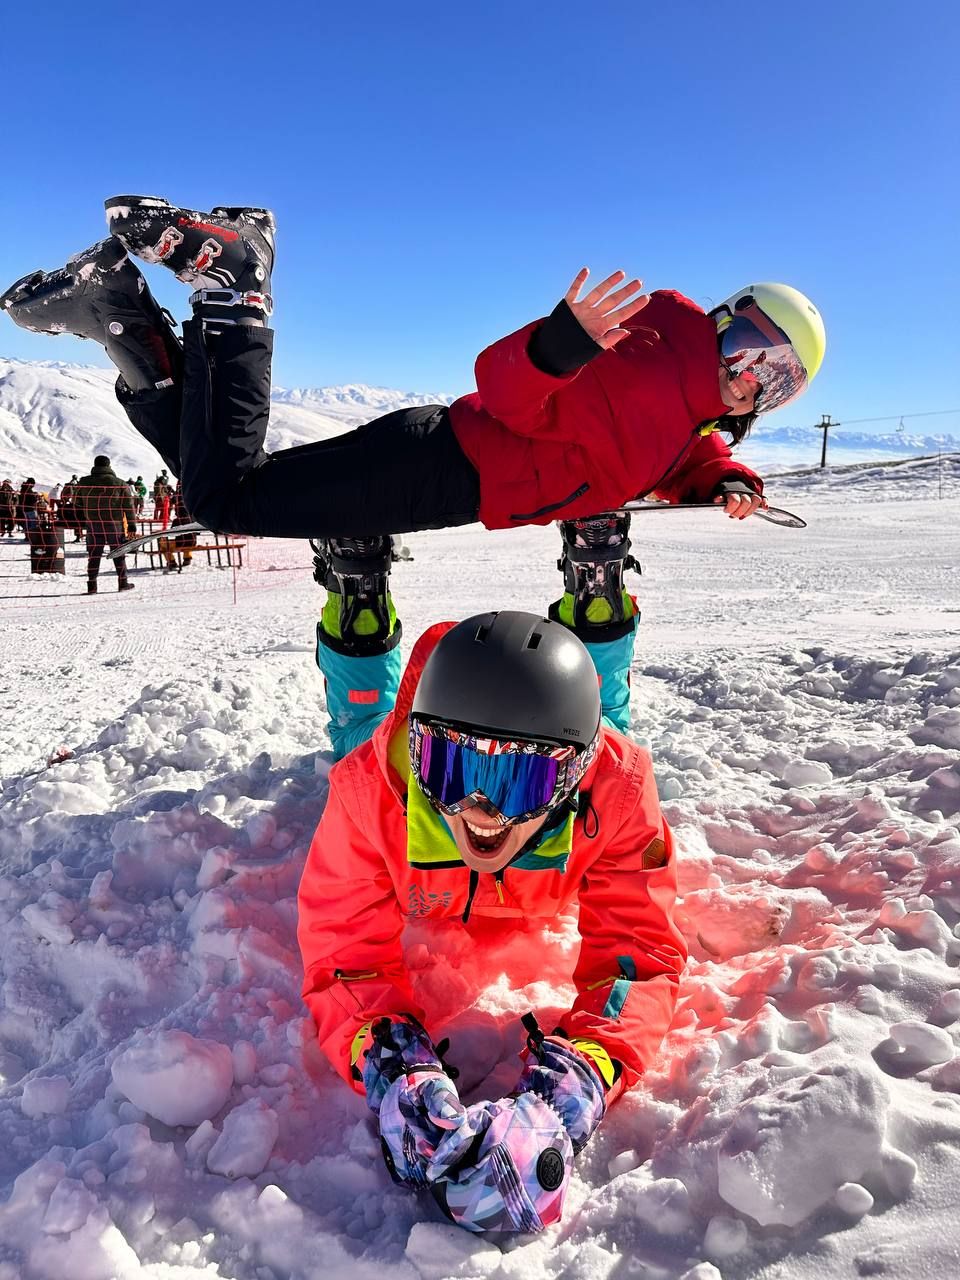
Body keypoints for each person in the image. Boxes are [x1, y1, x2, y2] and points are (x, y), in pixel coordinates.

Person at [1, 196, 826, 544]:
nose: (752, 376)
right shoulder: (653, 355)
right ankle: (233, 288)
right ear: (726, 317)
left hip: (441, 463)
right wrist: (556, 348)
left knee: (222, 482)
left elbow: (676, 453)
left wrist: (725, 477)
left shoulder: (686, 410)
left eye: (778, 378)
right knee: (224, 499)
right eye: (752, 344)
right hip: (444, 467)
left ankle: (121, 319)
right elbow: (505, 388)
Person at [297, 534, 686, 1234]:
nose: (480, 810)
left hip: (580, 769)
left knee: (610, 717)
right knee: (360, 727)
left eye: (519, 779)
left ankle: (595, 601)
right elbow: (344, 957)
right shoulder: (373, 790)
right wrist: (392, 1064)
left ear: (573, 778)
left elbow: (637, 955)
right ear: (418, 752)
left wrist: (580, 1079)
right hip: (409, 765)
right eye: (453, 771)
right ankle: (359, 604)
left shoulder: (615, 791)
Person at [74, 454, 137, 594]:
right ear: (109, 466)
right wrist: (132, 524)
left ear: (95, 465)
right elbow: (129, 506)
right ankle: (123, 582)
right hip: (114, 524)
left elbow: (76, 501)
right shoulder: (120, 483)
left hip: (93, 523)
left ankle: (92, 585)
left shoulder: (84, 482)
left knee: (94, 555)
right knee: (118, 553)